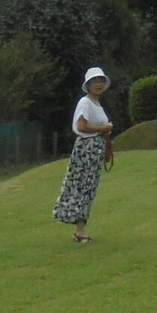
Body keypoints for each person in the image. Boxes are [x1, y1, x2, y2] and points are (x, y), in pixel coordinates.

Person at [53, 66, 114, 243]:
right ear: (88, 85)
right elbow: (81, 127)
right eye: (94, 81)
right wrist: (104, 128)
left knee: (88, 188)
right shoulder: (85, 102)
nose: (98, 84)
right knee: (83, 187)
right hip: (87, 148)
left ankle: (80, 228)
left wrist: (106, 136)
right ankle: (80, 230)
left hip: (96, 147)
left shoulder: (97, 104)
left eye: (101, 81)